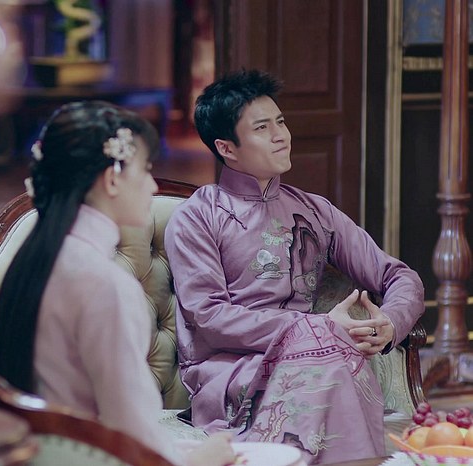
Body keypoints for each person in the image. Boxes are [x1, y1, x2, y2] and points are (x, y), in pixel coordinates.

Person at [164, 69, 425, 465]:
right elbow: (210, 317)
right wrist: (318, 328)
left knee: (331, 359)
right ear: (227, 148)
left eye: (281, 122)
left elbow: (400, 276)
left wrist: (389, 323)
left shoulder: (315, 211)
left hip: (321, 356)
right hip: (234, 369)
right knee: (329, 359)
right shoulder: (198, 216)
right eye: (262, 128)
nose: (281, 135)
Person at [0, 101, 235, 466]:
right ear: (112, 179)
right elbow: (133, 435)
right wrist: (204, 459)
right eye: (146, 170)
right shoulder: (103, 283)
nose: (152, 185)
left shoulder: (34, 260)